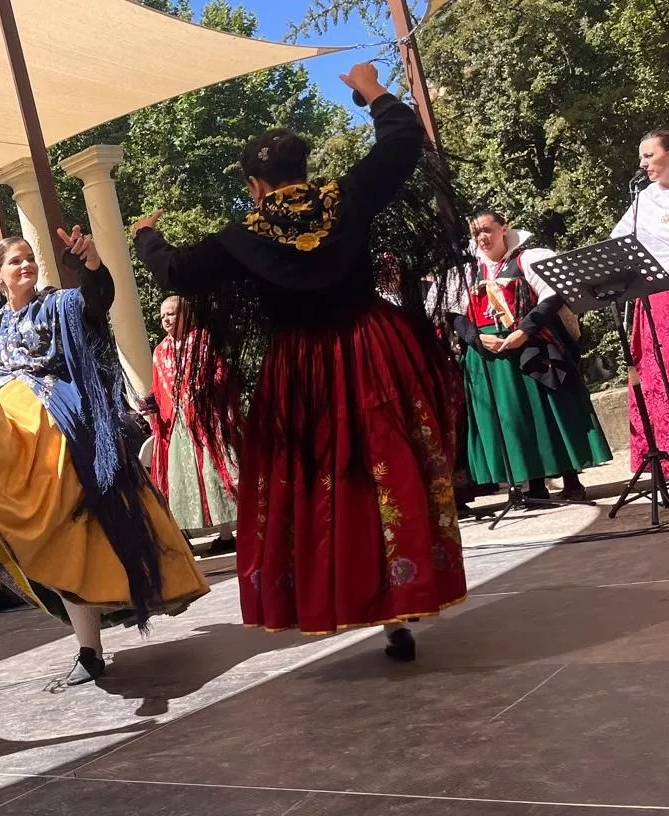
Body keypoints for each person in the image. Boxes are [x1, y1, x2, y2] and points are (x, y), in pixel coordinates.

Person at [131, 63, 467, 660]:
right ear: (301, 170)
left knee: (317, 483)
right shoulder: (349, 194)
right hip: (373, 348)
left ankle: (333, 597)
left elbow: (176, 271)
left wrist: (145, 237)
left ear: (255, 185)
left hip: (299, 371)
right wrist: (373, 91)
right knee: (389, 465)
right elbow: (402, 140)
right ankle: (401, 605)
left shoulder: (245, 232)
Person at [0, 228, 210, 687]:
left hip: (51, 428)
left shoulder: (55, 307)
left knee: (72, 542)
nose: (26, 265)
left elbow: (95, 302)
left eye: (30, 258)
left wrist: (90, 265)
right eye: (16, 261)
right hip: (11, 438)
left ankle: (89, 652)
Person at [449, 210, 610, 500]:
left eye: (487, 229)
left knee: (549, 412)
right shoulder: (468, 272)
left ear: (503, 228)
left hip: (532, 345)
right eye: (476, 233)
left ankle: (571, 479)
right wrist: (475, 338)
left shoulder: (527, 259)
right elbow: (455, 315)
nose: (482, 237)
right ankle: (532, 484)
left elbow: (552, 297)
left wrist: (524, 331)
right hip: (490, 355)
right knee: (513, 418)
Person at [144, 295, 240, 551]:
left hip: (203, 422)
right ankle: (182, 535)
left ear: (186, 315)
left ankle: (226, 534)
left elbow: (221, 372)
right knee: (179, 480)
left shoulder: (203, 341)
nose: (165, 319)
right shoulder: (159, 351)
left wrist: (206, 389)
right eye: (163, 315)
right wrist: (148, 403)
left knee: (212, 475)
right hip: (175, 425)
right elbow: (157, 388)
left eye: (171, 314)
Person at [613, 129, 669, 478]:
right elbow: (618, 242)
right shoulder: (644, 199)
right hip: (658, 299)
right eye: (640, 157)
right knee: (658, 378)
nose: (642, 163)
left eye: (649, 155)